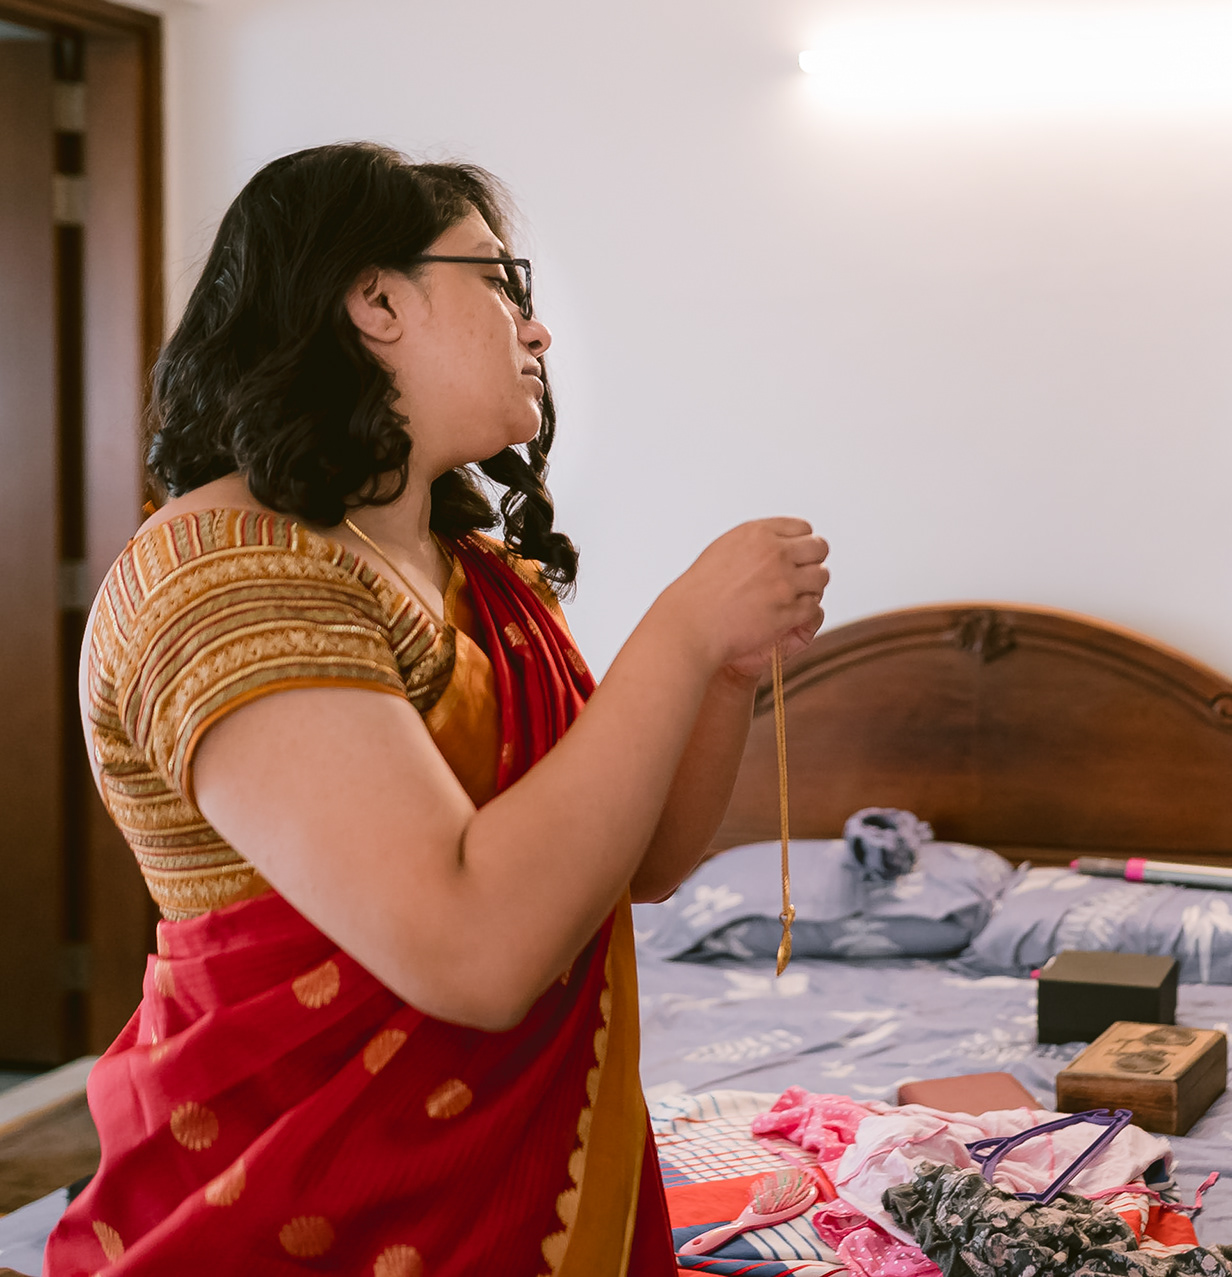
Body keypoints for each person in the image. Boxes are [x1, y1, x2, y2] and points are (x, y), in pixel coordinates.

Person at [44, 143, 829, 1275]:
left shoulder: (470, 569)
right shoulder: (226, 577)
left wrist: (722, 673)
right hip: (297, 1198)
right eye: (502, 281)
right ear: (376, 301)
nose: (537, 329)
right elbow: (474, 952)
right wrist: (682, 629)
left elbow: (639, 861)